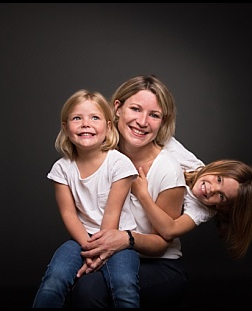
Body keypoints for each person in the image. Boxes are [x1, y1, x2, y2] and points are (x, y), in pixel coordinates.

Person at [68, 75, 187, 307]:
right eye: (135, 109)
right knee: (68, 283)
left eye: (154, 115)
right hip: (111, 256)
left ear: (162, 122)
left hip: (158, 264)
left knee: (90, 290)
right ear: (117, 108)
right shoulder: (99, 155)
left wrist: (125, 238)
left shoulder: (168, 169)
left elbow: (163, 242)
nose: (142, 122)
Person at [32, 90, 139, 308]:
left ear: (109, 126)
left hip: (117, 241)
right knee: (54, 280)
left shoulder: (119, 164)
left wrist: (101, 249)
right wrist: (87, 246)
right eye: (77, 118)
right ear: (65, 127)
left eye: (95, 118)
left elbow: (112, 213)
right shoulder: (62, 168)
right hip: (82, 238)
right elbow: (68, 213)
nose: (85, 124)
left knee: (124, 285)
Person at [133, 158, 252, 260]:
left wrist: (142, 195)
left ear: (223, 206)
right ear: (217, 165)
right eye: (219, 179)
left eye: (221, 196)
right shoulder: (191, 162)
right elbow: (162, 140)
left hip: (161, 259)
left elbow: (169, 230)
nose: (212, 189)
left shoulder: (202, 210)